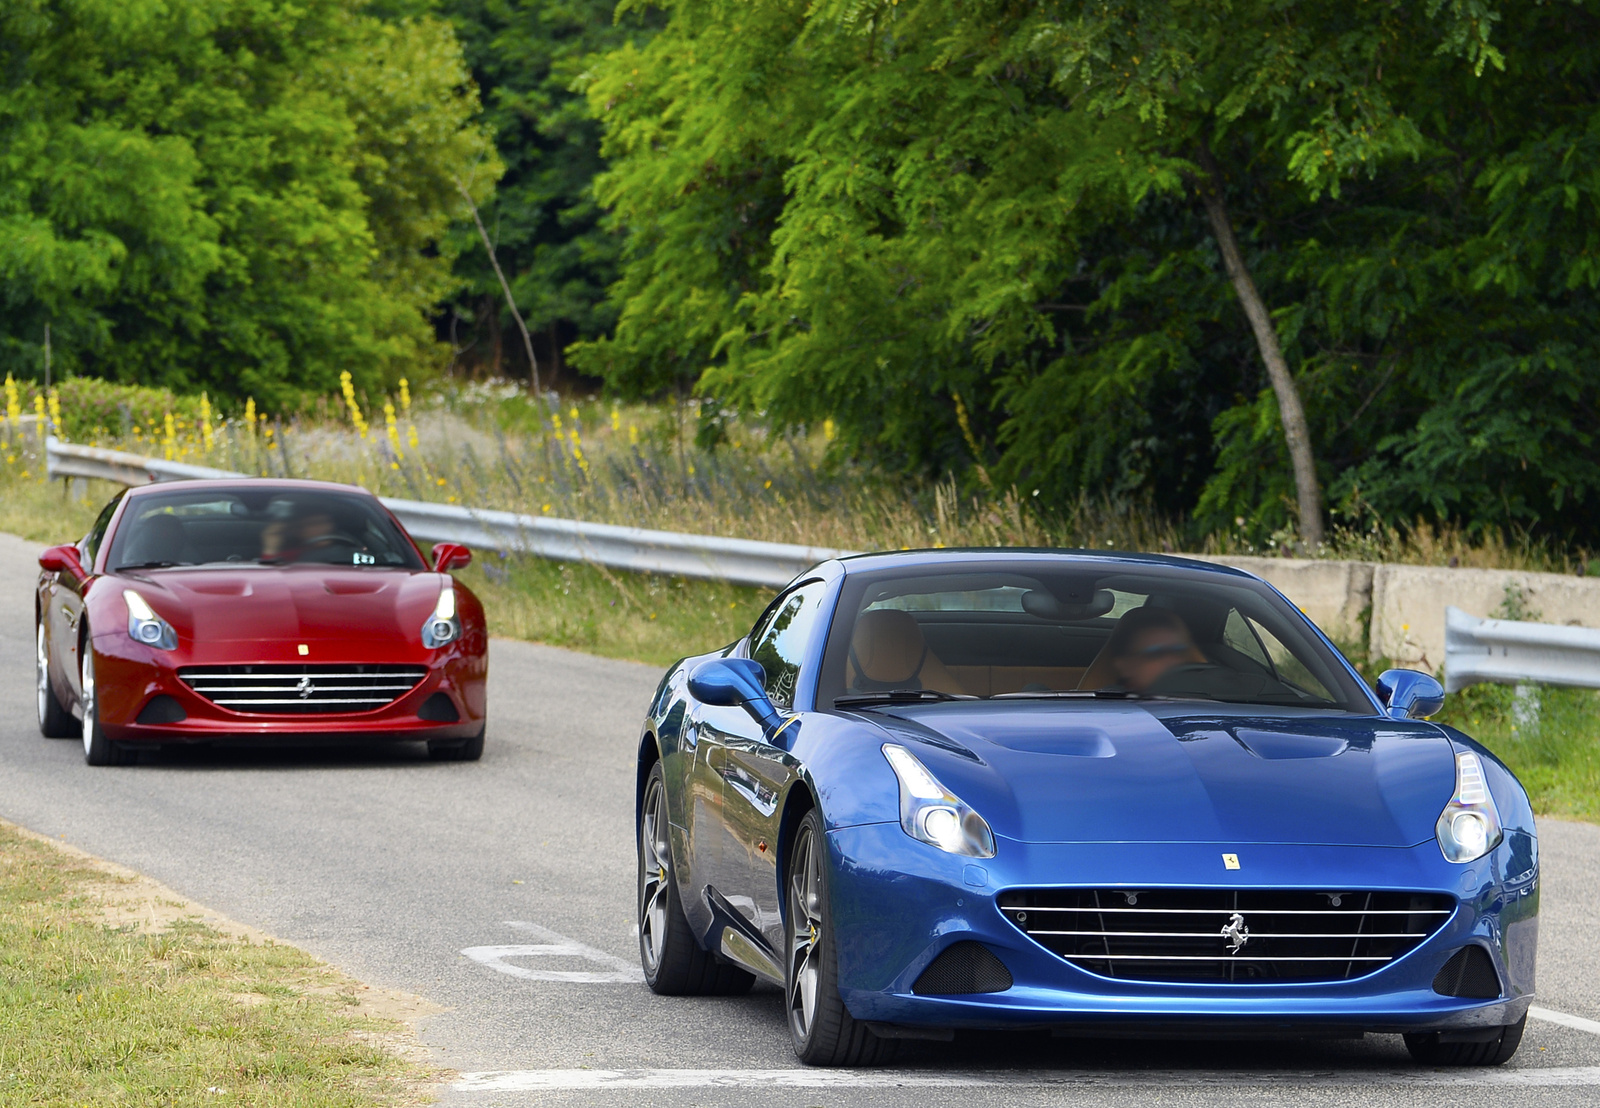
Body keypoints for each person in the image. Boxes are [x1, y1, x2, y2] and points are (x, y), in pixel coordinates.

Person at [1084, 606, 1207, 692]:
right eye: (1156, 654)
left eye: (1179, 651)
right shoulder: (1108, 708)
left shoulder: (1211, 701)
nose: (1174, 661)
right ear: (1125, 666)